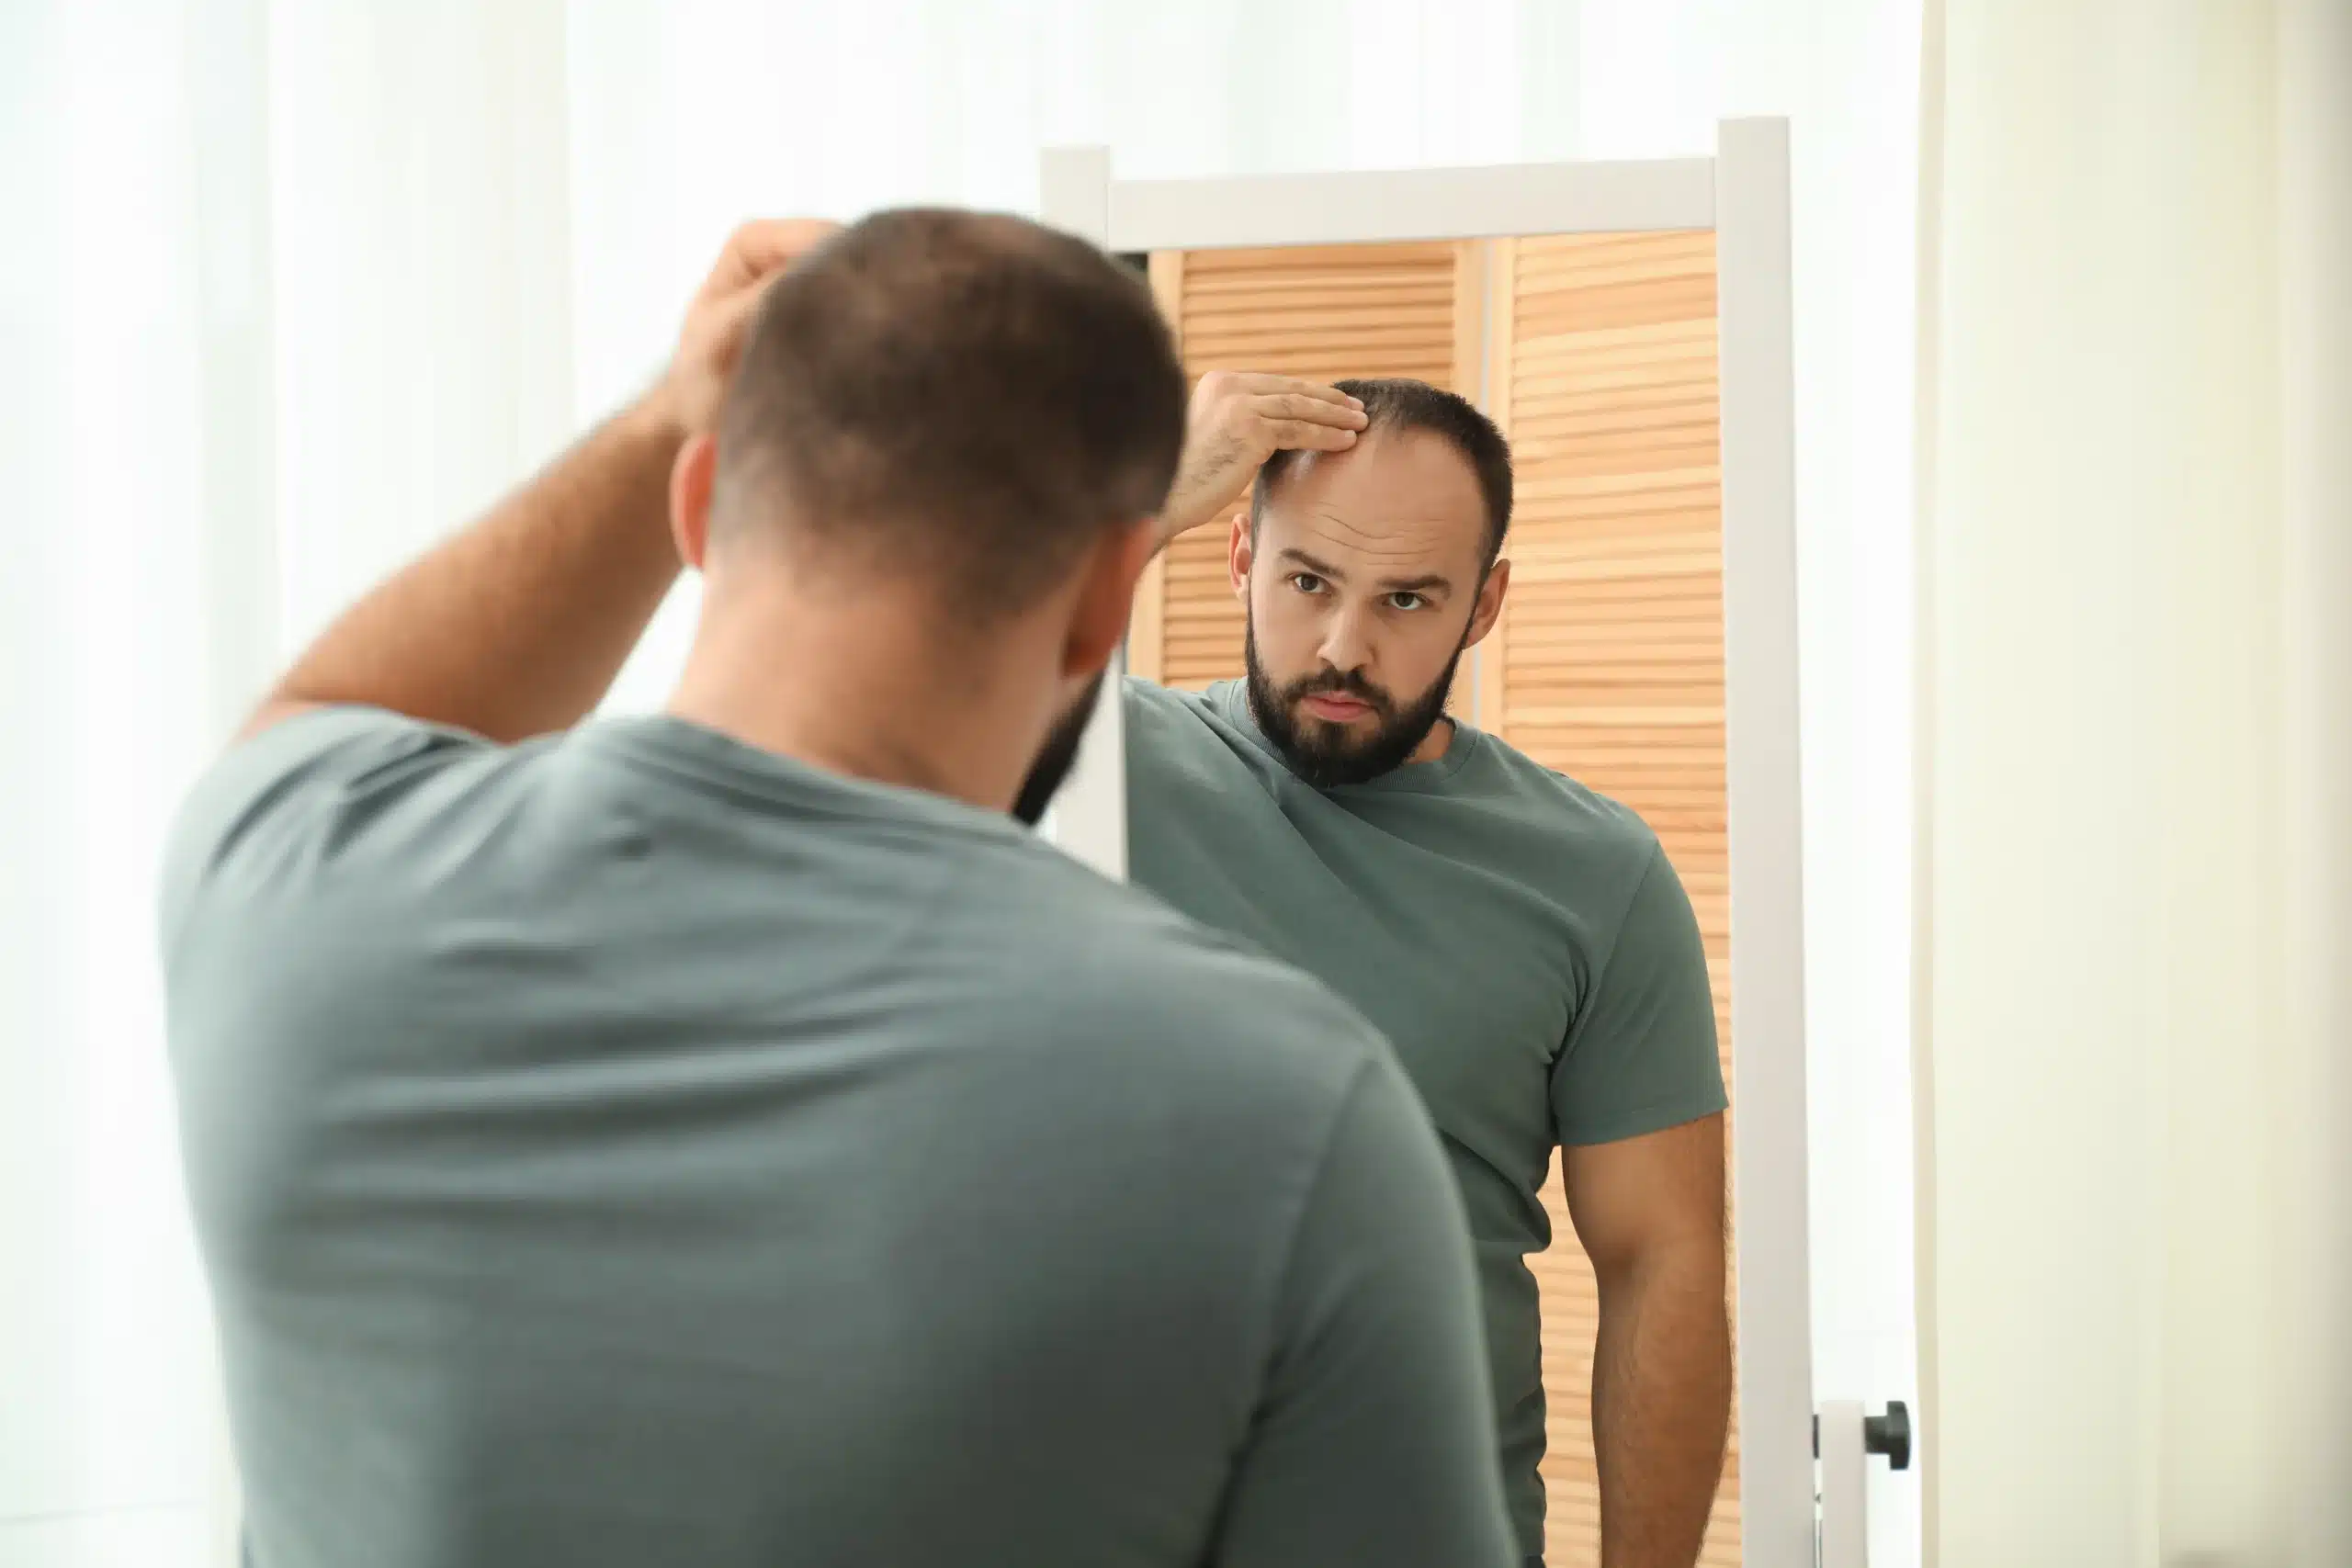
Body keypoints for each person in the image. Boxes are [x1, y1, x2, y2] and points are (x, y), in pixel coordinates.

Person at [158, 214, 1518, 1568]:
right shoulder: (1290, 1122)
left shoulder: (290, 890)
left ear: (695, 511)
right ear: (1116, 592)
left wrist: (668, 415)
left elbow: (331, 704)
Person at [1123, 371, 1735, 1567]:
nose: (1346, 645)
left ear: (1484, 603)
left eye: (1408, 598)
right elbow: (902, 673)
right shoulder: (1094, 761)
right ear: (1238, 554)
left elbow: (1663, 1261)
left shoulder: (1594, 875)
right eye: (1309, 582)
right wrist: (1142, 500)